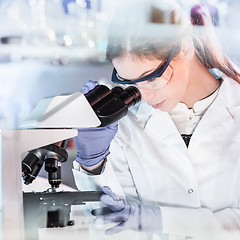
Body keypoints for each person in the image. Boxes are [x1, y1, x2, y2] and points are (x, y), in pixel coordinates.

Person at [72, 0, 240, 239]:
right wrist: (93, 165)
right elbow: (111, 228)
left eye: (151, 78)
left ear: (185, 47)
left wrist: (162, 220)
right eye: (132, 83)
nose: (145, 95)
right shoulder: (123, 125)